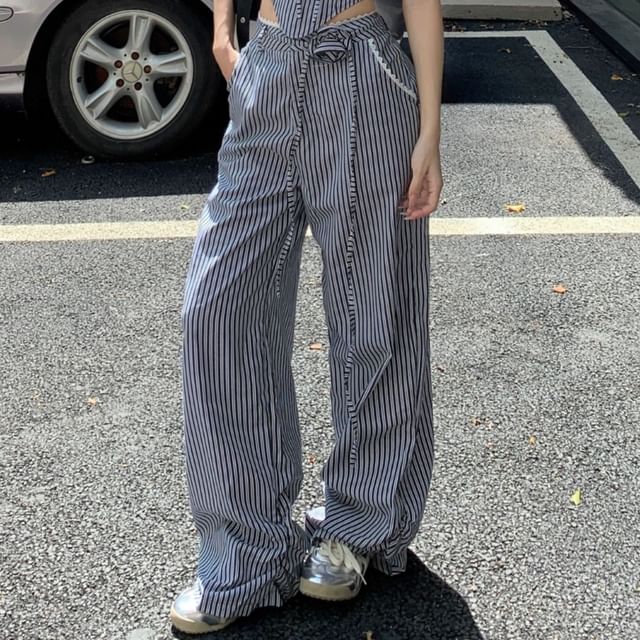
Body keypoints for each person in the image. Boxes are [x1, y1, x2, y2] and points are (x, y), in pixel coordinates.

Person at [170, 0, 444, 634]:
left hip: (363, 73)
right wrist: (221, 33)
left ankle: (360, 525)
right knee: (217, 312)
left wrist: (430, 128)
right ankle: (244, 553)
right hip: (267, 68)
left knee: (375, 312)